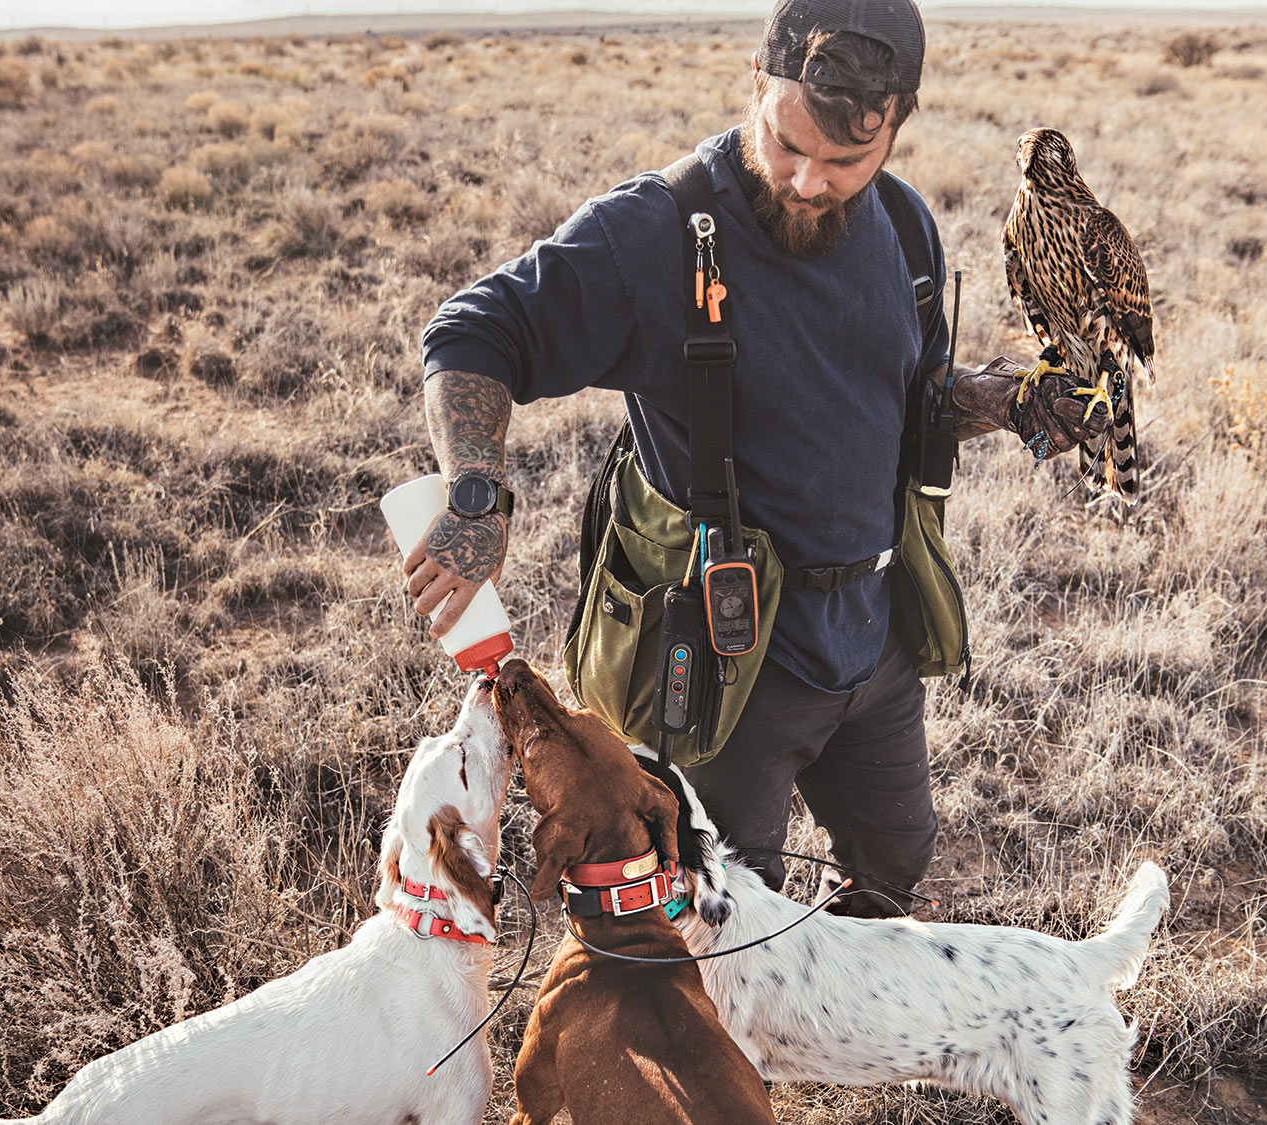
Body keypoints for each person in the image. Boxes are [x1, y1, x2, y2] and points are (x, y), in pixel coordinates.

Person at [402, 0, 1108, 916]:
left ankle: (836, 1035)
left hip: (873, 636)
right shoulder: (657, 231)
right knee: (704, 914)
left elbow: (912, 393)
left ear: (897, 121)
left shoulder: (904, 227)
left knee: (893, 864)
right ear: (757, 80)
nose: (809, 181)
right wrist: (474, 490)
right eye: (786, 143)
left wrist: (1008, 401)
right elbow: (474, 330)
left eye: (846, 160)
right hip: (724, 655)